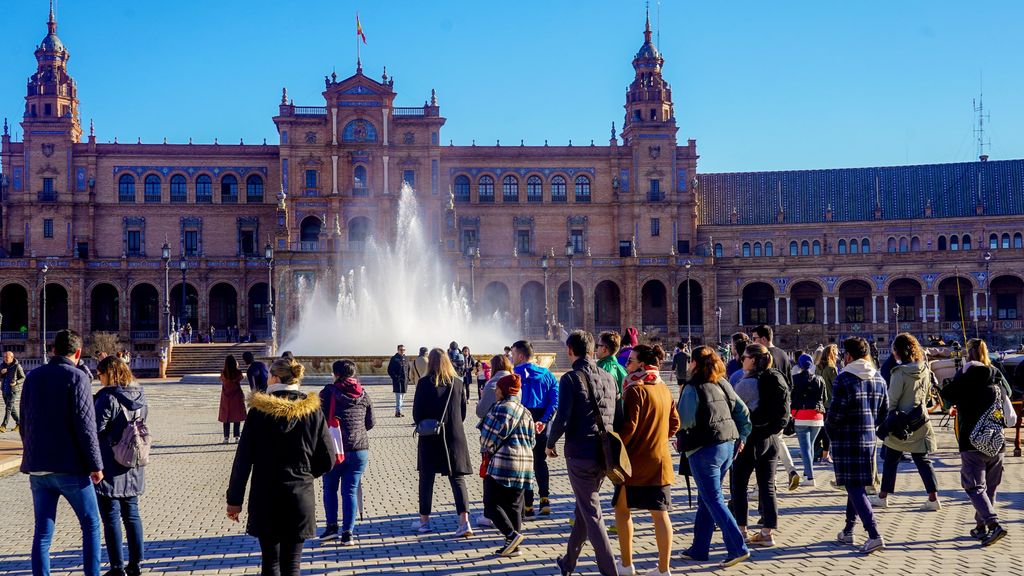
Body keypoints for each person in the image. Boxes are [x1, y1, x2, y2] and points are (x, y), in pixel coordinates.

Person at [226, 357, 334, 576]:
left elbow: (243, 460)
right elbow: (328, 458)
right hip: (300, 495)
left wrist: (234, 501)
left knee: (270, 564)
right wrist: (305, 473)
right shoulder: (312, 411)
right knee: (292, 565)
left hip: (266, 495)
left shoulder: (258, 412)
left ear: (275, 378)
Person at [20, 329, 104, 576]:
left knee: (43, 532)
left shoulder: (33, 377)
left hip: (38, 467)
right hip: (70, 468)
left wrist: (32, 452)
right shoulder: (78, 377)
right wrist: (95, 465)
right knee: (91, 524)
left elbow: (24, 421)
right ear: (77, 353)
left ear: (53, 350)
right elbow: (86, 426)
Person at [546, 330, 618, 576]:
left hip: (580, 454)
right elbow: (615, 417)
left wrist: (550, 442)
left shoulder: (570, 378)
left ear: (570, 350)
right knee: (583, 510)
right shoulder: (609, 377)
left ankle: (610, 571)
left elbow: (562, 417)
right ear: (591, 350)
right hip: (604, 454)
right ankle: (568, 562)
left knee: (592, 514)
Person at [677, 345, 751, 568]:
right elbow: (743, 412)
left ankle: (738, 547)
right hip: (728, 445)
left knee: (713, 499)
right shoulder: (723, 382)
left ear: (694, 364)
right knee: (706, 499)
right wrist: (743, 437)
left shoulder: (692, 388)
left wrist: (677, 432)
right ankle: (700, 548)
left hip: (704, 448)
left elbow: (685, 419)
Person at [614, 344, 680, 576]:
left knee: (622, 510)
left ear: (641, 364)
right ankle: (663, 569)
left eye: (630, 360)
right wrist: (659, 438)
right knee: (660, 513)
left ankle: (626, 564)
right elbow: (675, 423)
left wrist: (614, 445)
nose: (626, 364)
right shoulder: (663, 387)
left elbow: (630, 428)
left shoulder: (635, 390)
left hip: (635, 461)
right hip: (660, 460)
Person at [941, 338, 1010, 546]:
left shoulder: (965, 377)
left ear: (968, 355)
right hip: (997, 441)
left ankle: (993, 524)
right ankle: (981, 527)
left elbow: (946, 396)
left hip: (972, 440)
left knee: (973, 486)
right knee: (991, 487)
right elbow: (1009, 392)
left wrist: (959, 374)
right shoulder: (996, 374)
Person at [827, 337, 888, 554]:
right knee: (856, 486)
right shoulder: (879, 378)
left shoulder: (844, 379)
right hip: (868, 439)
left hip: (846, 439)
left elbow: (835, 414)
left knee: (853, 486)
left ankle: (873, 534)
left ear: (849, 355)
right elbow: (884, 412)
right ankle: (848, 530)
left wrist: (830, 433)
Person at [728, 343, 789, 548]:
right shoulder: (774, 378)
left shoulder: (746, 383)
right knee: (767, 486)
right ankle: (767, 532)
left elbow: (735, 412)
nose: (740, 359)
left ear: (753, 360)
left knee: (739, 485)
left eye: (744, 356)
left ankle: (742, 530)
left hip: (749, 438)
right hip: (770, 439)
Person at [93, 355, 147, 576]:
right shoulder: (140, 395)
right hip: (133, 461)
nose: (99, 378)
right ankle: (136, 564)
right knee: (132, 514)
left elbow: (95, 430)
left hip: (110, 462)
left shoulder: (107, 398)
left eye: (101, 374)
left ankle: (117, 567)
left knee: (112, 517)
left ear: (110, 373)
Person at [874, 333, 940, 511]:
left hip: (900, 423)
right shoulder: (925, 369)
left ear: (899, 351)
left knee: (890, 460)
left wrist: (885, 419)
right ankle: (933, 498)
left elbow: (892, 400)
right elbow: (927, 397)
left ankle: (883, 496)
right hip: (920, 420)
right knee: (922, 460)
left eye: (894, 349)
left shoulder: (900, 373)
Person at [412, 348, 473, 536]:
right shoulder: (458, 383)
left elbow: (417, 414)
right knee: (457, 478)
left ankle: (424, 522)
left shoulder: (423, 384)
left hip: (430, 437)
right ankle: (464, 522)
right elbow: (462, 413)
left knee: (426, 479)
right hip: (453, 436)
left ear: (430, 362)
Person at [319, 360, 375, 545]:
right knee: (350, 491)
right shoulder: (363, 393)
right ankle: (348, 534)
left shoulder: (328, 392)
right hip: (360, 449)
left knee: (329, 488)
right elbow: (371, 423)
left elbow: (319, 421)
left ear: (335, 374)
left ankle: (331, 528)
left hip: (334, 449)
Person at [479, 373, 536, 557]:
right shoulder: (525, 411)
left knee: (490, 504)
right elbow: (533, 441)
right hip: (525, 464)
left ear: (503, 390)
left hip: (503, 463)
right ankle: (513, 547)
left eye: (497, 388)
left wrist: (487, 445)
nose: (495, 391)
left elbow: (486, 440)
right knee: (514, 505)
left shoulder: (500, 408)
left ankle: (511, 535)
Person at [511, 340, 559, 517]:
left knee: (525, 465)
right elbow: (555, 400)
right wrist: (545, 420)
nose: (512, 357)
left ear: (521, 356)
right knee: (540, 461)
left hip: (522, 422)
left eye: (514, 354)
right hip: (542, 422)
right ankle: (545, 499)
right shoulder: (547, 374)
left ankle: (528, 505)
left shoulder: (515, 374)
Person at [751, 325, 800, 490]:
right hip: (783, 406)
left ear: (764, 339)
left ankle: (765, 485)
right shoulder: (783, 354)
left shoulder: (763, 356)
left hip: (767, 407)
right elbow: (790, 383)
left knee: (765, 447)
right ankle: (791, 470)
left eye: (755, 338)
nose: (753, 342)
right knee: (778, 440)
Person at [791, 353, 827, 486]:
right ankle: (807, 473)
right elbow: (825, 398)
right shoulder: (820, 379)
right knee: (810, 446)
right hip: (818, 416)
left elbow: (792, 397)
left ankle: (810, 478)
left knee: (805, 447)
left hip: (801, 415)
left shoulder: (795, 379)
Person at [814, 344, 839, 463]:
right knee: (828, 431)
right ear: (831, 354)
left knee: (819, 430)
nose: (838, 356)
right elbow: (837, 385)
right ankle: (826, 455)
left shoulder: (818, 367)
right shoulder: (831, 368)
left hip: (819, 403)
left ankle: (815, 453)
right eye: (836, 353)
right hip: (830, 403)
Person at [219, 355, 247, 444]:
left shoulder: (223, 373)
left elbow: (221, 379)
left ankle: (226, 437)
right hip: (236, 396)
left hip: (226, 397)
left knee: (226, 417)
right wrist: (237, 366)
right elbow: (241, 377)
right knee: (236, 416)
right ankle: (237, 437)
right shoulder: (238, 372)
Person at [477, 354, 514, 421]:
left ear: (494, 367)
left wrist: (482, 397)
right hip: (514, 424)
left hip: (495, 425)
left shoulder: (491, 385)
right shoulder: (516, 384)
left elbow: (480, 412)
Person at [596, 331, 627, 400]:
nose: (596, 348)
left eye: (597, 345)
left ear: (604, 349)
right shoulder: (623, 369)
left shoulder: (602, 369)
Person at [0, 350, 26, 432]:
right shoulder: (2, 365)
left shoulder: (17, 366)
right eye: (4, 357)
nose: (5, 359)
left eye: (7, 357)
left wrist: (16, 382)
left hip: (13, 390)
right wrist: (1, 373)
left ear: (12, 357)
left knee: (8, 408)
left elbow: (23, 377)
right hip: (4, 390)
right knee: (12, 409)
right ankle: (19, 424)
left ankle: (3, 425)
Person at [388, 344, 409, 417]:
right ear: (398, 350)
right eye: (401, 350)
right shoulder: (394, 358)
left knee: (402, 397)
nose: (402, 351)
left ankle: (400, 410)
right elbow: (390, 370)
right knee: (398, 397)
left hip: (404, 381)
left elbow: (408, 369)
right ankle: (398, 412)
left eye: (404, 350)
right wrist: (395, 378)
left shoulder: (406, 358)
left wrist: (408, 378)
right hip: (398, 381)